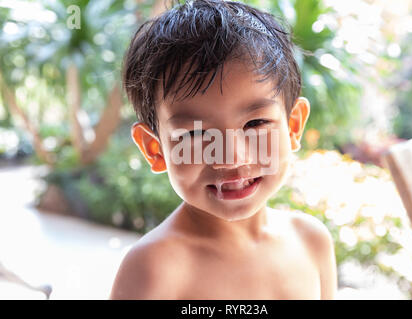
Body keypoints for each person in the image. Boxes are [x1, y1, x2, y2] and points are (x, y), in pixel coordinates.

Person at [110, 0, 337, 300]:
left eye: (256, 123)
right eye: (195, 133)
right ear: (156, 149)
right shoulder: (154, 269)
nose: (231, 157)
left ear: (293, 127)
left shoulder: (312, 242)